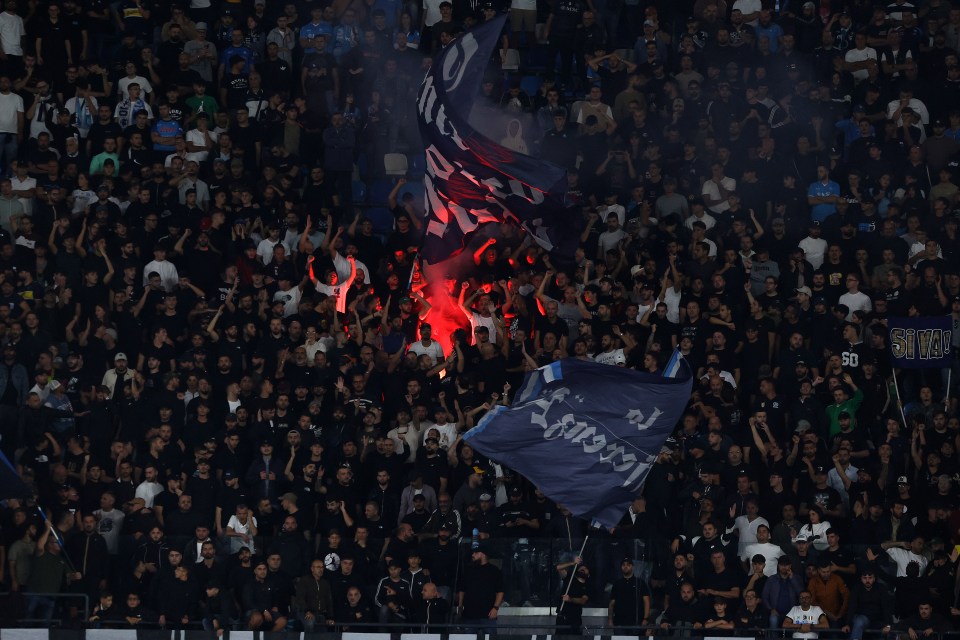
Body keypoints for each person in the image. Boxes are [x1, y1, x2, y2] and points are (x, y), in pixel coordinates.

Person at [457, 543, 503, 630]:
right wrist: (460, 607)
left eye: (475, 552)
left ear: (482, 554)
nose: (472, 555)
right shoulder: (468, 570)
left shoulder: (494, 570)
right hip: (469, 615)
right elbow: (462, 589)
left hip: (488, 614)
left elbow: (500, 591)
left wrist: (495, 608)